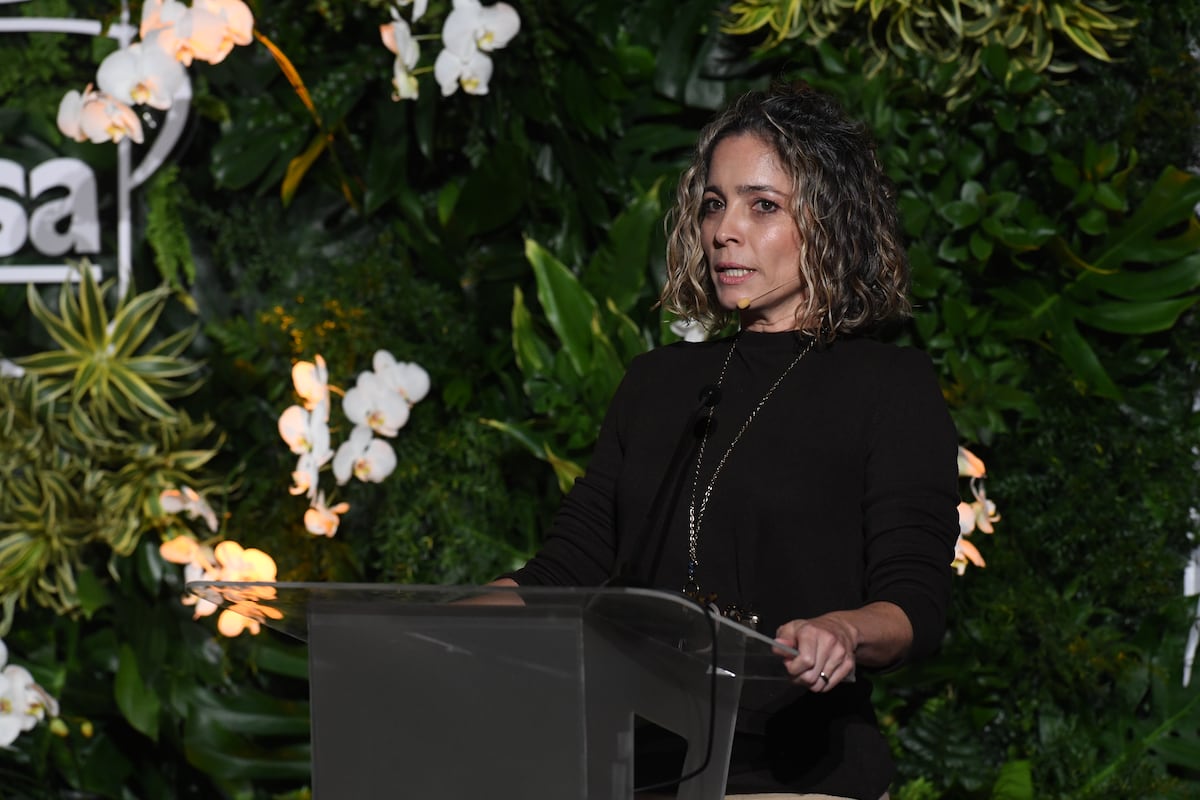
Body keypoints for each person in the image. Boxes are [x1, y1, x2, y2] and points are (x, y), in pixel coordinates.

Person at [494, 81, 960, 800]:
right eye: (714, 203)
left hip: (794, 772)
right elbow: (562, 571)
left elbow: (914, 603)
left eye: (762, 205)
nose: (723, 231)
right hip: (631, 767)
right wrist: (413, 625)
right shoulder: (655, 383)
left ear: (830, 221)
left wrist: (843, 630)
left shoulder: (887, 386)